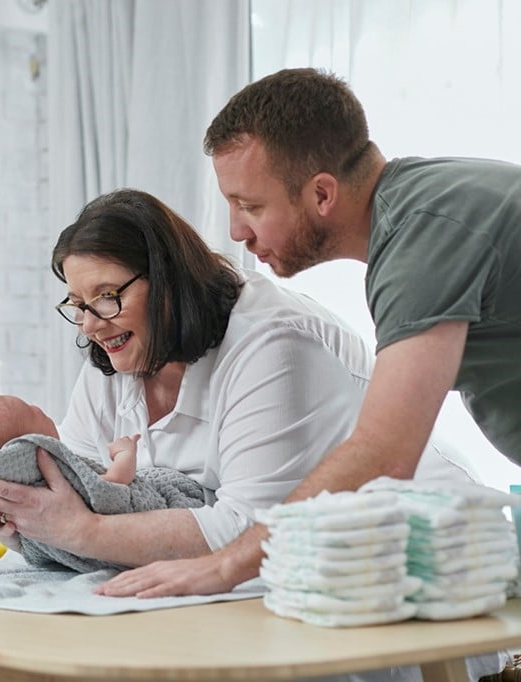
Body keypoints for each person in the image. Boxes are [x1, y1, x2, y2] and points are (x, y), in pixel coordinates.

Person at [97, 67, 521, 601]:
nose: (236, 232)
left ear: (322, 192)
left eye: (250, 205)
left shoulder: (425, 239)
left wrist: (225, 564)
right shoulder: (425, 206)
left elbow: (385, 452)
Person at [0, 187, 475, 576]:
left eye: (108, 295)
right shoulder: (116, 353)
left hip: (408, 561)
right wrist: (27, 523)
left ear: (168, 280)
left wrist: (80, 531)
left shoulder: (273, 344)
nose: (91, 323)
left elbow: (248, 529)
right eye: (78, 305)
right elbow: (80, 488)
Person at [0, 394, 140, 485]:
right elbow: (114, 481)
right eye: (30, 412)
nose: (36, 407)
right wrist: (125, 453)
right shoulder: (64, 481)